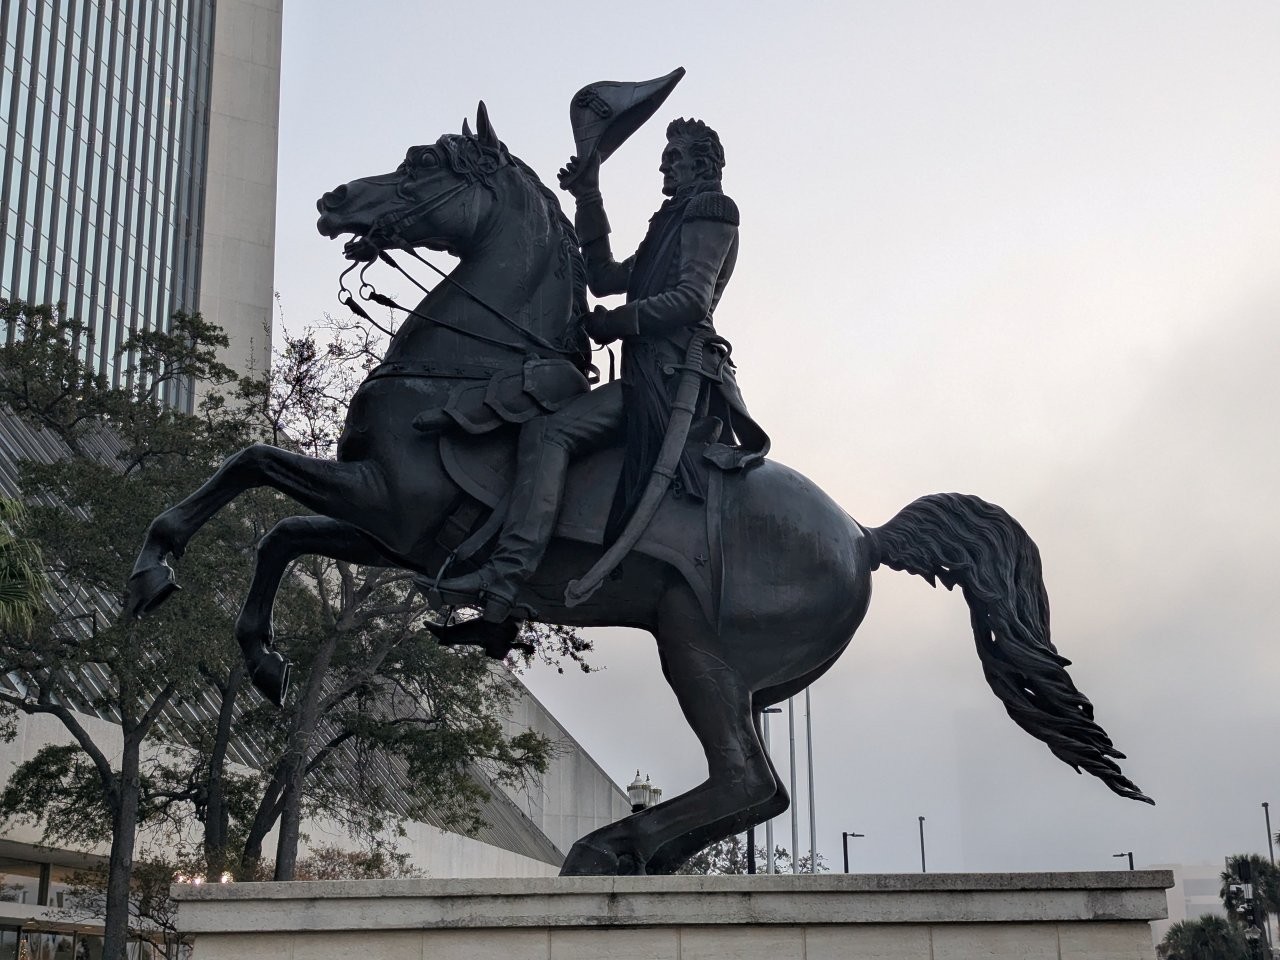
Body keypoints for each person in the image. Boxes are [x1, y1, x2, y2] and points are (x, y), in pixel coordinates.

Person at [438, 118, 765, 623]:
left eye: (674, 157)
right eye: (666, 156)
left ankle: (504, 576)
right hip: (648, 373)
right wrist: (588, 196)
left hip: (669, 377)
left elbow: (690, 299)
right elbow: (605, 275)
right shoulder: (670, 221)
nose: (663, 165)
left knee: (550, 432)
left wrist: (615, 323)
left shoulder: (711, 211)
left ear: (702, 165)